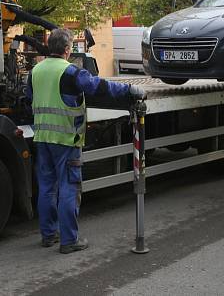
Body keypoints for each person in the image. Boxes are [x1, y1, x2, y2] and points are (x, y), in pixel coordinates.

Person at [25, 28, 145, 254]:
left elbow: (30, 98)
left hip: (42, 138)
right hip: (67, 139)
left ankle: (48, 235)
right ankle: (70, 240)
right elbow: (99, 87)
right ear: (68, 49)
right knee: (69, 187)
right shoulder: (70, 72)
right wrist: (129, 90)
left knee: (47, 188)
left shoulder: (35, 71)